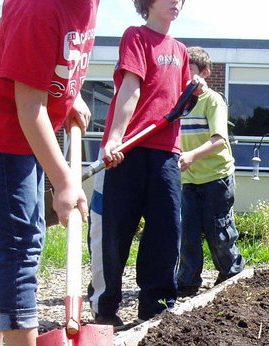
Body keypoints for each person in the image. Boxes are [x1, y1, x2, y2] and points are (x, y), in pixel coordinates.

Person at [0, 0, 99, 346]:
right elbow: (28, 105)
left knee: (12, 244)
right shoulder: (38, 8)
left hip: (25, 134)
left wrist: (73, 98)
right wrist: (66, 181)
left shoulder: (87, 4)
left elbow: (63, 59)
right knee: (20, 244)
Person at [88, 0, 196, 327]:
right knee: (115, 229)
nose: (176, 2)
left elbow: (181, 101)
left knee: (166, 229)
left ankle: (157, 306)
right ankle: (104, 309)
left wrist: (196, 89)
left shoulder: (181, 51)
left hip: (166, 152)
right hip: (128, 151)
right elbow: (131, 90)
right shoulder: (135, 36)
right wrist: (114, 139)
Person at [176, 46, 245, 297]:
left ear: (204, 73)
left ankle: (232, 271)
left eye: (191, 71)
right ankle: (187, 281)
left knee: (218, 229)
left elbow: (219, 139)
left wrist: (192, 155)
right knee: (188, 231)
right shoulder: (179, 101)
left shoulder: (212, 100)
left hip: (217, 177)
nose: (186, 76)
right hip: (188, 179)